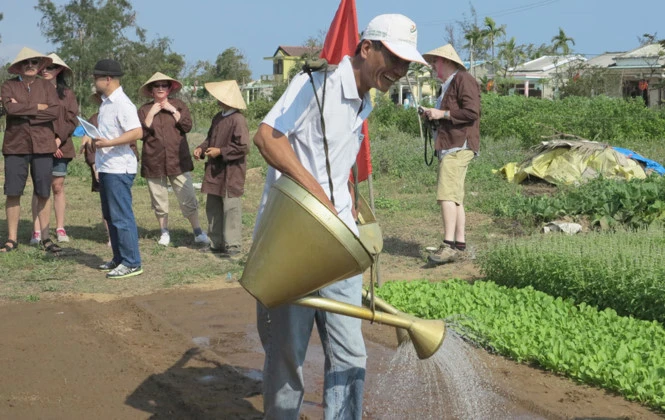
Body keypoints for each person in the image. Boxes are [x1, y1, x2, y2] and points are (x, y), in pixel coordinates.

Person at [252, 14, 426, 419]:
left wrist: (348, 208)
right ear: (367, 48)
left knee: (350, 353)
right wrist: (319, 201)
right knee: (287, 356)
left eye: (406, 65)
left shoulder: (365, 103)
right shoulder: (315, 84)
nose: (399, 72)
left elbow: (337, 168)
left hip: (340, 246)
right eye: (395, 60)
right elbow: (268, 138)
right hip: (294, 245)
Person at [419, 44, 481, 265]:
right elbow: (451, 113)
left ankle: (448, 245)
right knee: (455, 197)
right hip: (452, 144)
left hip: (458, 144)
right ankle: (460, 244)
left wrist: (441, 113)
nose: (434, 66)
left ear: (445, 61)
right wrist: (432, 115)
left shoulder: (463, 79)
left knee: (446, 195)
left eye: (436, 61)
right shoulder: (448, 84)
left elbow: (472, 111)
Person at [1, 47, 61, 254]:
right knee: (13, 192)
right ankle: (11, 239)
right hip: (15, 146)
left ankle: (45, 238)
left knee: (43, 192)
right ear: (19, 67)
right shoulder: (8, 86)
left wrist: (24, 108)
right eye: (26, 62)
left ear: (39, 65)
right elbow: (9, 109)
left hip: (43, 146)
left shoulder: (47, 86)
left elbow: (54, 111)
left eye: (34, 62)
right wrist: (38, 108)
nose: (30, 65)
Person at [138, 72, 209, 247]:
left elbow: (187, 126)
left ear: (170, 88)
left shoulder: (179, 105)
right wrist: (151, 114)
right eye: (157, 86)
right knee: (158, 198)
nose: (160, 88)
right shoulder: (144, 110)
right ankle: (164, 231)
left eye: (164, 85)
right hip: (153, 160)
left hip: (178, 159)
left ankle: (198, 231)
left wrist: (172, 110)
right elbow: (141, 133)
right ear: (151, 90)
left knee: (188, 196)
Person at [91, 59, 143, 279]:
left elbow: (137, 132)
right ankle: (119, 258)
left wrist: (109, 143)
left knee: (121, 216)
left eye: (96, 78)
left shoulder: (123, 103)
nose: (94, 82)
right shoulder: (106, 103)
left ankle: (132, 262)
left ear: (108, 79)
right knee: (111, 216)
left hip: (119, 167)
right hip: (107, 166)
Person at [193, 80, 249, 257]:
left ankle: (233, 245)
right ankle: (216, 242)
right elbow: (210, 138)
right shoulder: (218, 117)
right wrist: (201, 148)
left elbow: (243, 147)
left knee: (231, 208)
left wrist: (221, 151)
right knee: (213, 206)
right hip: (214, 170)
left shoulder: (238, 119)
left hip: (231, 172)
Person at [30, 53, 79, 245]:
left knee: (57, 186)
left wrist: (58, 140)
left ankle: (59, 227)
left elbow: (72, 119)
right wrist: (48, 141)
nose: (45, 71)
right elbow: (31, 117)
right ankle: (36, 231)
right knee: (39, 188)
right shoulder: (33, 91)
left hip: (62, 145)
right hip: (39, 145)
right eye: (42, 68)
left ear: (58, 70)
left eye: (49, 68)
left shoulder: (67, 94)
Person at [81, 93, 139, 247]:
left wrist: (110, 143)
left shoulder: (123, 108)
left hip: (119, 166)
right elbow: (90, 143)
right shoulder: (95, 118)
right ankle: (112, 239)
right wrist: (94, 166)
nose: (103, 101)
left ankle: (129, 254)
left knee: (121, 210)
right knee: (107, 207)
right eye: (101, 99)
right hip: (101, 166)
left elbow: (134, 138)